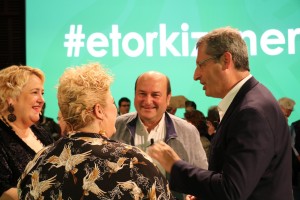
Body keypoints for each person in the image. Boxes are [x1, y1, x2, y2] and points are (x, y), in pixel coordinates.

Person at [148, 27, 292, 200]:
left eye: (201, 65)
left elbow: (231, 190)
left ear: (226, 60)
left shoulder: (251, 112)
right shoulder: (253, 100)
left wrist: (175, 165)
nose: (196, 75)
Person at [18, 63, 174, 200]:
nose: (116, 109)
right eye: (113, 103)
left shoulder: (37, 163)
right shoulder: (134, 162)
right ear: (99, 111)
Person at [111, 71, 208, 200]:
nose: (148, 101)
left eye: (155, 95)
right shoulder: (116, 127)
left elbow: (202, 177)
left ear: (168, 98)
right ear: (135, 95)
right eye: (142, 94)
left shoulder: (188, 131)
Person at [0, 65, 53, 200]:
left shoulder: (42, 133)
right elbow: (3, 190)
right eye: (35, 92)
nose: (42, 100)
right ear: (11, 97)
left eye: (42, 93)